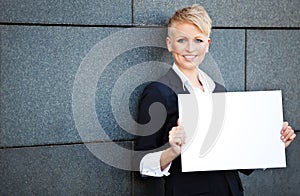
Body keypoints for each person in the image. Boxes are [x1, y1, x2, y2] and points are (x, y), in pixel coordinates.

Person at [135, 4, 296, 196]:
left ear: (207, 44)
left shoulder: (218, 90)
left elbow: (236, 156)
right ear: (170, 44)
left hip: (231, 190)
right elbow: (141, 164)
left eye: (198, 40)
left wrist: (272, 144)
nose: (190, 48)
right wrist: (173, 151)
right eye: (182, 40)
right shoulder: (158, 92)